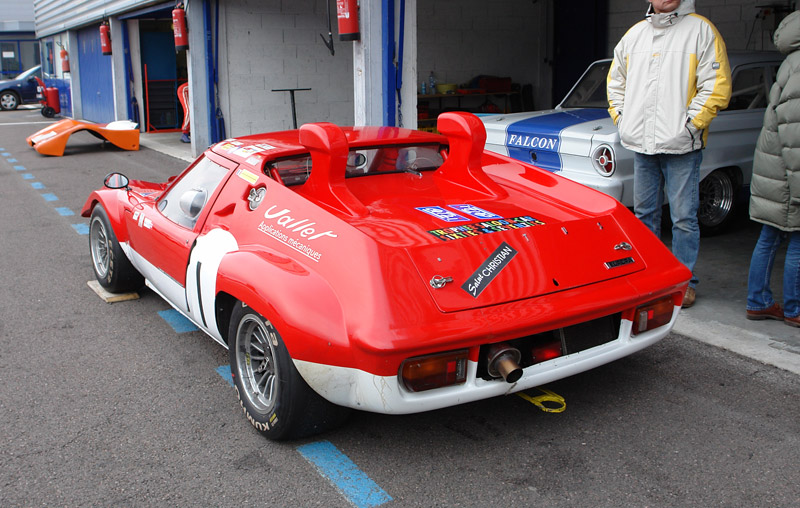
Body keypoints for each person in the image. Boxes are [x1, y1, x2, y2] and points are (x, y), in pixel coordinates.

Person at [607, 0, 732, 308]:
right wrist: (624, 121)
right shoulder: (635, 35)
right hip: (642, 146)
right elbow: (615, 83)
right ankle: (651, 277)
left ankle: (681, 282)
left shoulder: (701, 31)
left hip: (682, 146)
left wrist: (690, 126)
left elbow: (717, 86)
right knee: (645, 215)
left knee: (684, 219)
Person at [746, 11, 800, 328]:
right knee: (796, 241)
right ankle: (793, 309)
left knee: (770, 237)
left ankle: (759, 301)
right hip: (788, 175)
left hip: (777, 171)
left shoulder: (792, 61)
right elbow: (795, 137)